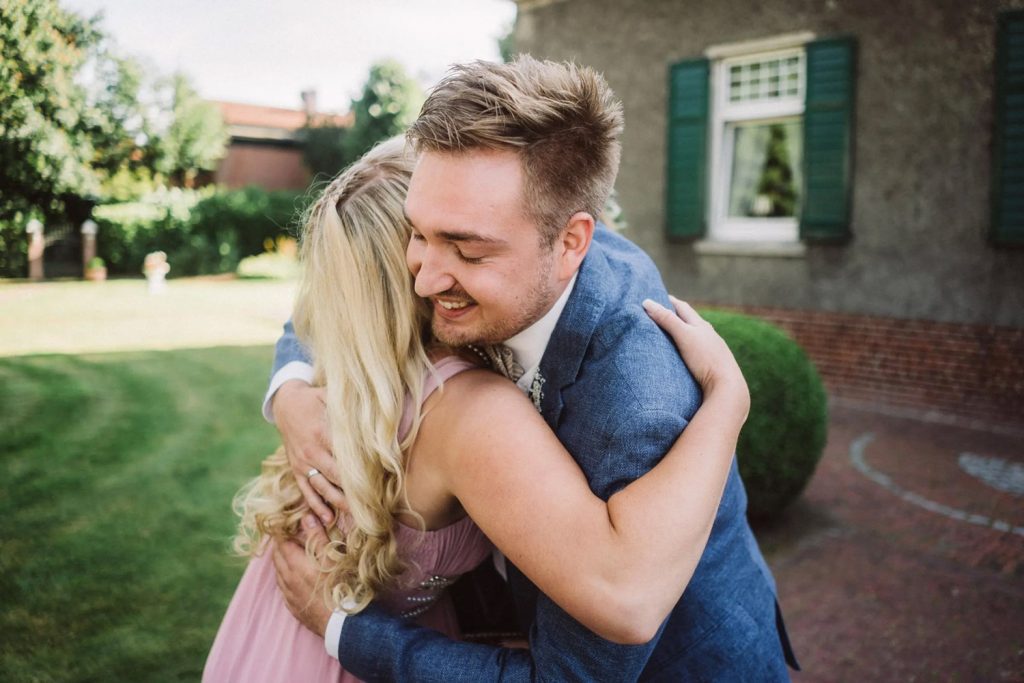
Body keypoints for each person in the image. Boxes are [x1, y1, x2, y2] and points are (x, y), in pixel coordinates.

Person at [271, 57, 798, 680]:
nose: (424, 275)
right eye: (417, 234)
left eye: (467, 250)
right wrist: (292, 390)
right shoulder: (506, 238)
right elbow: (345, 298)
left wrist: (344, 632)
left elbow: (575, 672)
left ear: (572, 242)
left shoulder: (638, 405)